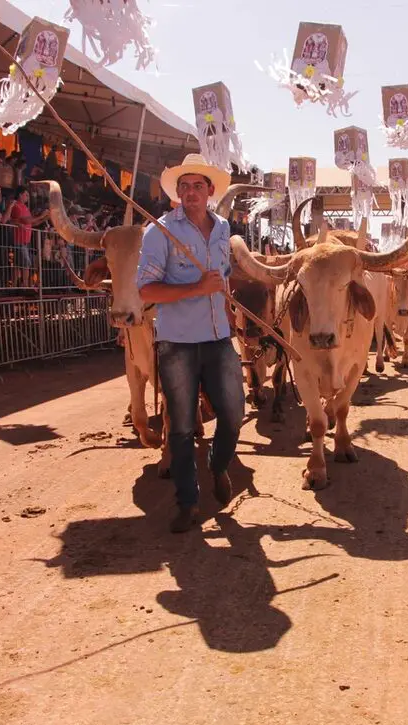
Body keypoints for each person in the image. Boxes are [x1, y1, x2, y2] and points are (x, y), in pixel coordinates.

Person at [137, 153, 245, 533]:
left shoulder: (222, 229)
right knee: (181, 427)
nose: (191, 192)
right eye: (184, 186)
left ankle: (217, 464)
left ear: (211, 191)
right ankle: (188, 502)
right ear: (177, 193)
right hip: (178, 343)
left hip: (218, 340)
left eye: (198, 185)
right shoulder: (160, 232)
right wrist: (195, 288)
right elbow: (146, 289)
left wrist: (228, 310)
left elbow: (224, 277)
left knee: (234, 414)